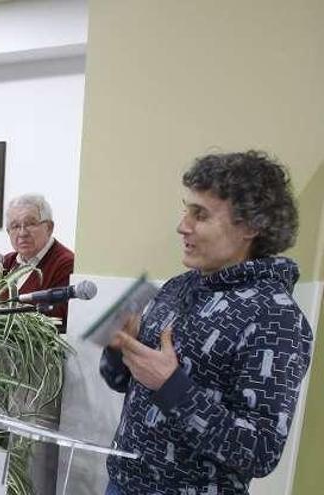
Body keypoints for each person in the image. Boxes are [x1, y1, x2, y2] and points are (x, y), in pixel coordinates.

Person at [100, 151, 313, 495]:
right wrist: (118, 348)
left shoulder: (277, 318)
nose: (182, 225)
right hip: (122, 484)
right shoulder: (176, 287)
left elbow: (260, 452)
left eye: (200, 215)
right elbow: (122, 382)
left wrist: (171, 386)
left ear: (251, 226)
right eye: (187, 210)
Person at [0, 194, 74, 324]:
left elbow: (58, 315)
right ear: (9, 232)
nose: (22, 233)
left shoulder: (66, 264)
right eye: (15, 226)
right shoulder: (6, 262)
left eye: (30, 224)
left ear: (49, 227)